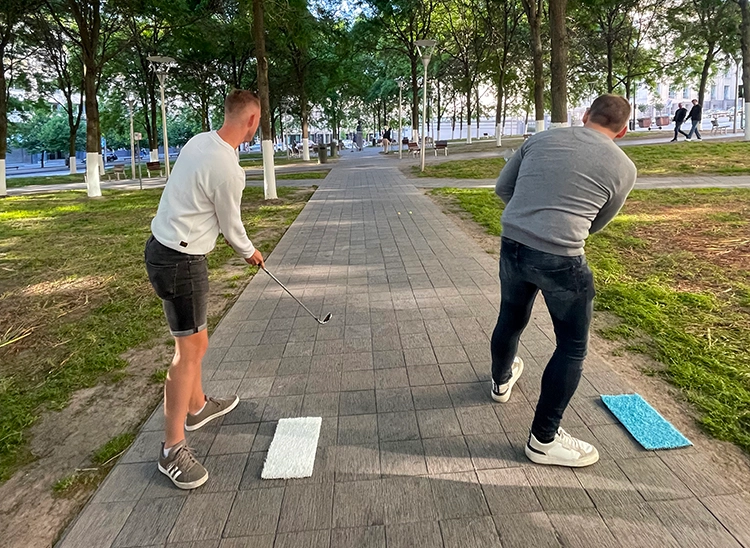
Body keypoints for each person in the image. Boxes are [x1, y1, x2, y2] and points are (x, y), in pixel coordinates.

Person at [491, 94, 637, 468]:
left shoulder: (538, 140)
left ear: (586, 115)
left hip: (514, 245)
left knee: (511, 315)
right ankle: (544, 439)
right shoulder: (623, 167)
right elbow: (600, 219)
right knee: (571, 349)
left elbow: (502, 189)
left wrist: (527, 217)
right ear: (621, 131)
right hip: (562, 258)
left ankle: (501, 381)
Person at [144, 89, 265, 489]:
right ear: (251, 121)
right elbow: (232, 226)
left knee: (197, 343)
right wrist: (251, 254)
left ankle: (196, 407)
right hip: (181, 261)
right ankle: (171, 449)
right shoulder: (229, 169)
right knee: (189, 351)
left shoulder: (201, 141)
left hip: (165, 251)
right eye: (258, 120)